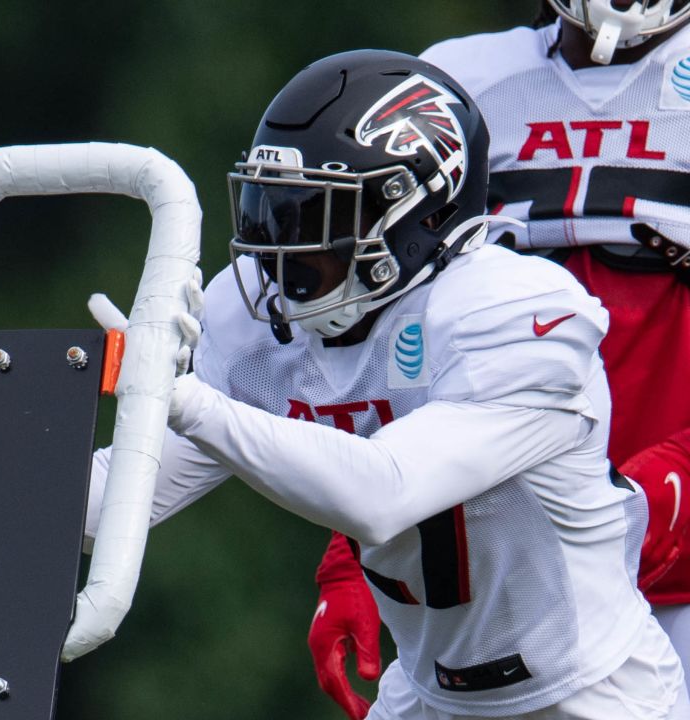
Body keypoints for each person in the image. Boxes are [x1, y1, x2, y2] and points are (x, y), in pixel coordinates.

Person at [0, 49, 685, 718]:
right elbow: (106, 510)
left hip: (591, 697)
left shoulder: (518, 311)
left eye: (313, 218)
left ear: (416, 211)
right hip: (426, 698)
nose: (280, 252)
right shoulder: (257, 318)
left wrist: (182, 398)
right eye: (271, 210)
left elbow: (383, 495)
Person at [306, 4, 690, 718]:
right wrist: (350, 549)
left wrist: (672, 486)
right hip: (503, 588)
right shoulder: (460, 80)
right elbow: (393, 341)